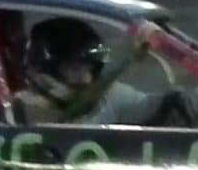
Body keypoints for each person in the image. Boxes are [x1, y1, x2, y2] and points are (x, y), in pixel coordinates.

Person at [12, 16, 166, 127]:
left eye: (90, 69)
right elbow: (71, 112)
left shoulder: (109, 96)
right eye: (74, 69)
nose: (86, 79)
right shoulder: (20, 108)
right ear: (41, 73)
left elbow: (154, 106)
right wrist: (128, 59)